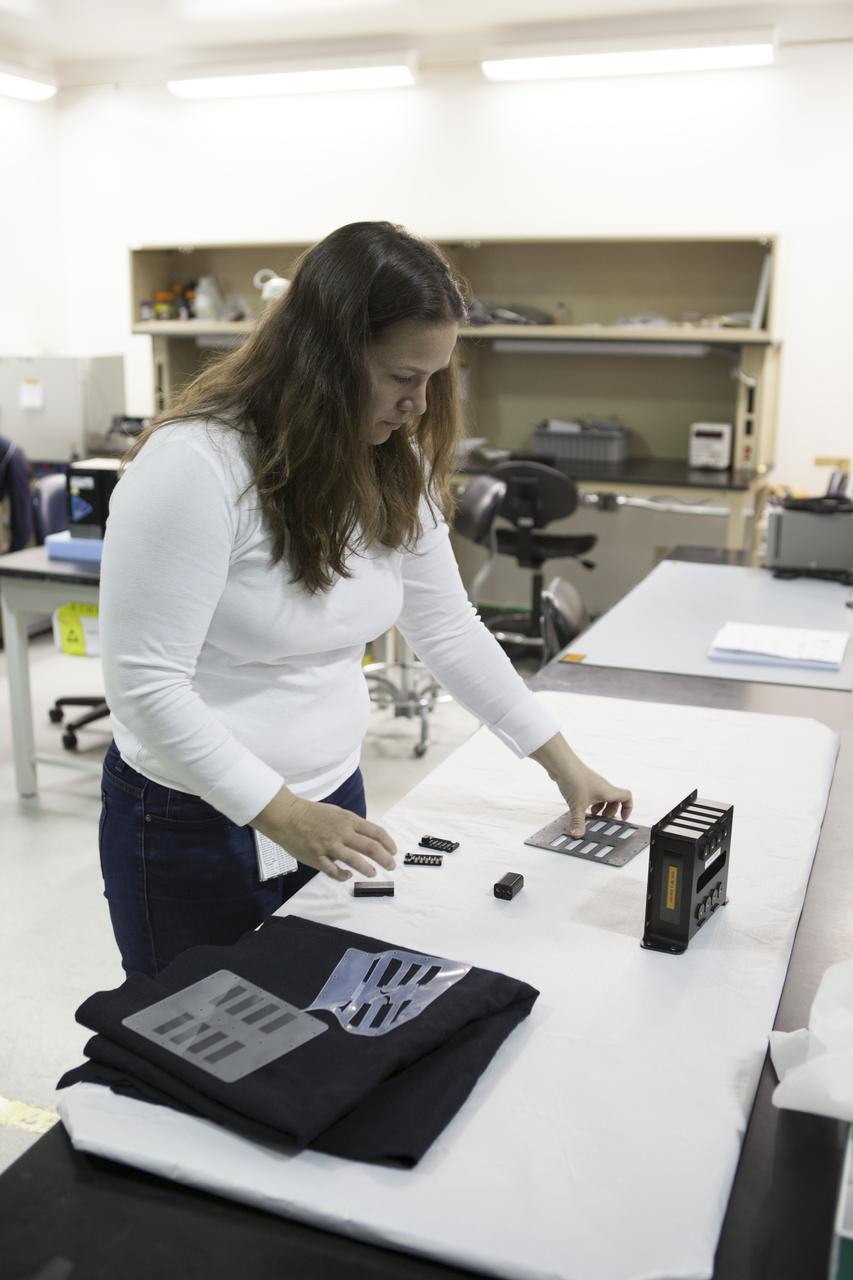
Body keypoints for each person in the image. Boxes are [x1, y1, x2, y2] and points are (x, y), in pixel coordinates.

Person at [98, 221, 632, 978]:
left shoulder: (389, 460)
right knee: (194, 1049)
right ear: (321, 359)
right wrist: (282, 815)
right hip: (194, 818)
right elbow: (145, 685)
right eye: (400, 377)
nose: (418, 405)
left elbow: (446, 625)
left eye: (433, 379)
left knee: (310, 1028)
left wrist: (561, 762)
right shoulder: (195, 465)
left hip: (331, 800)